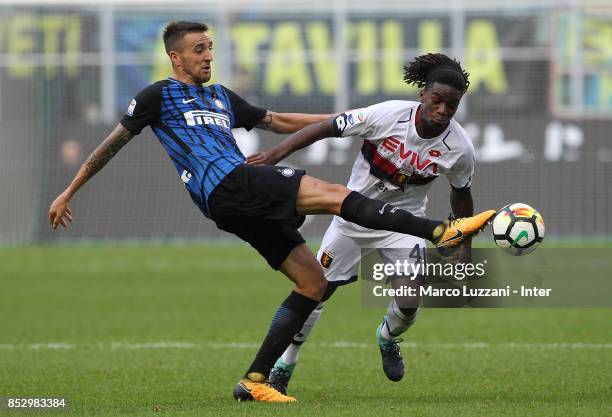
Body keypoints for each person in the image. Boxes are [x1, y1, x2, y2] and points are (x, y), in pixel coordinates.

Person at [48, 21, 494, 403]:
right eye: (198, 50)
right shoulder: (158, 95)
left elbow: (276, 119)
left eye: (210, 48)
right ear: (175, 57)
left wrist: (347, 118)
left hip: (233, 205)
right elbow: (113, 143)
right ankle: (438, 232)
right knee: (337, 195)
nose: (208, 57)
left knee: (312, 283)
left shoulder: (222, 97)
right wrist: (69, 190)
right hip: (230, 181)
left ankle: (256, 379)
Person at [248, 53, 482, 393]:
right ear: (422, 95)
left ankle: (387, 337)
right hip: (351, 218)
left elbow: (461, 194)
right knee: (314, 293)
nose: (443, 111)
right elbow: (327, 126)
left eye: (452, 105)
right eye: (437, 101)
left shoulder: (459, 148)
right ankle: (286, 364)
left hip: (404, 225)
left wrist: (465, 246)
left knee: (409, 300)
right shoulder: (387, 115)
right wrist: (274, 155)